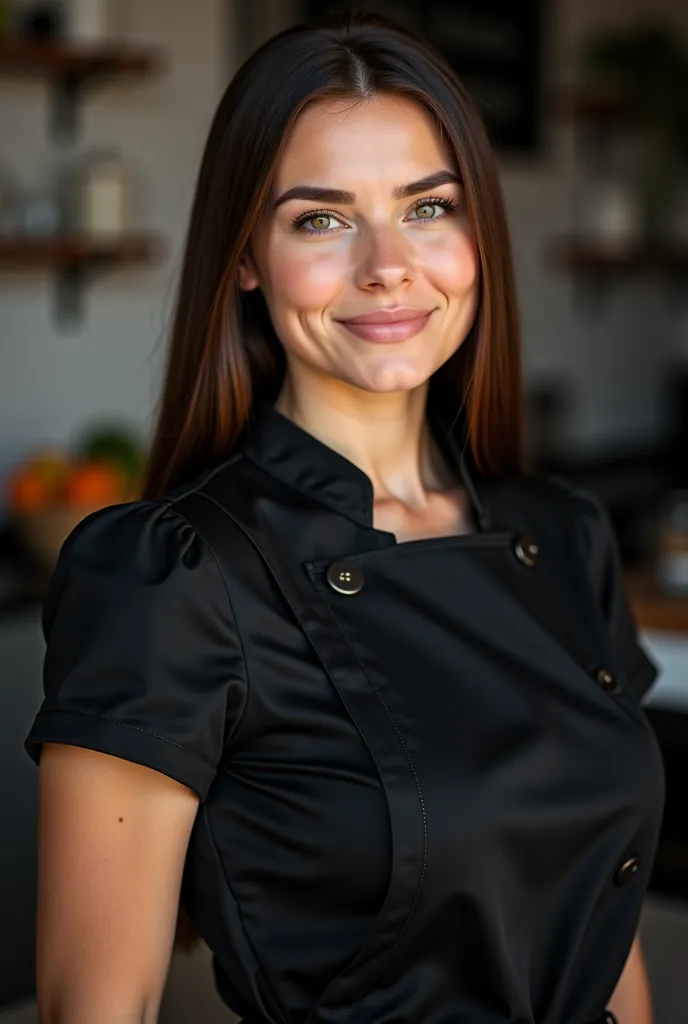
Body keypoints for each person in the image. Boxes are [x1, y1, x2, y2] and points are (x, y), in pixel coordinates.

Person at [25, 13, 663, 1024]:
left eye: (428, 208)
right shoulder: (171, 575)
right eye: (320, 219)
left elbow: (600, 928)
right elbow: (94, 1008)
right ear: (244, 260)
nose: (387, 266)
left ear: (476, 234)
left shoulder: (564, 533)